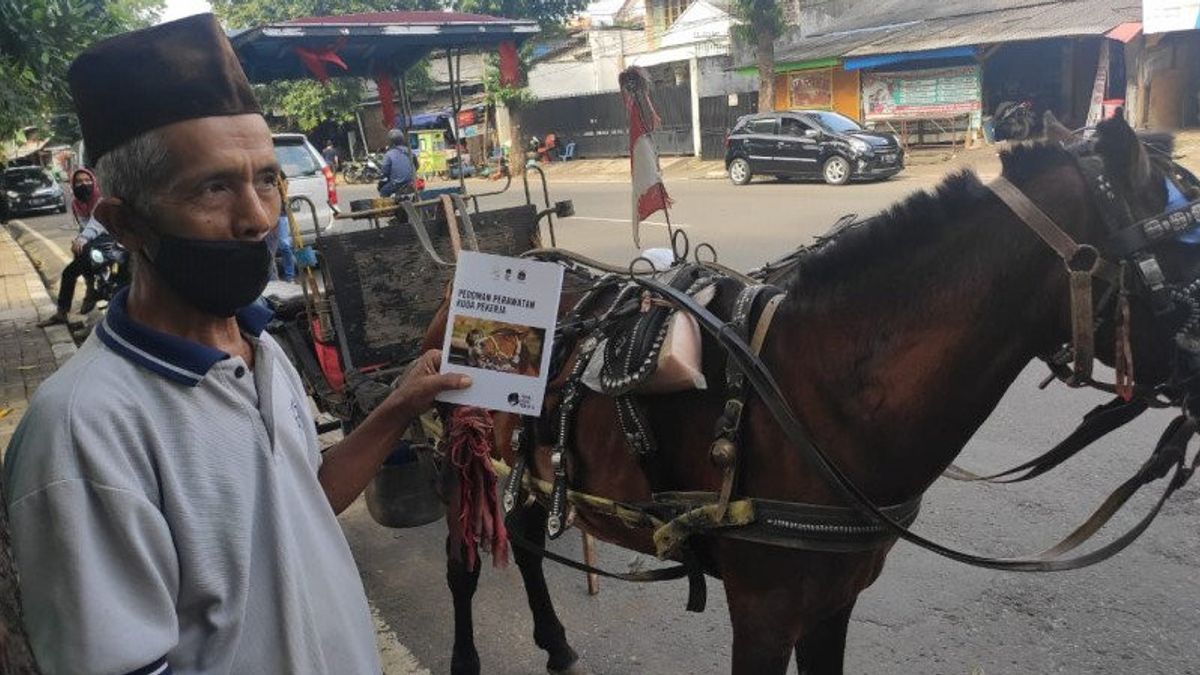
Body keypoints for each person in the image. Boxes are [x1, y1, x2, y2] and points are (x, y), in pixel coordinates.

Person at [3, 14, 471, 675]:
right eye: (212, 186)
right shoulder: (83, 432)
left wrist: (399, 403)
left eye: (265, 179)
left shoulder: (259, 347)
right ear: (123, 220)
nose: (256, 216)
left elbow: (302, 500)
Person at [37, 168, 107, 326]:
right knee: (69, 272)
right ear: (73, 184)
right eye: (79, 181)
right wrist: (80, 240)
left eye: (87, 180)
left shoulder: (101, 198)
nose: (84, 184)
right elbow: (84, 225)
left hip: (111, 239)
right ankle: (62, 312)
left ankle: (90, 292)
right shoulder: (76, 203)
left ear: (94, 181)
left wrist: (82, 239)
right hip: (91, 241)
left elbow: (97, 222)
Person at [378, 127, 418, 197]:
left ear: (391, 141)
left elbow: (385, 171)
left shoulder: (389, 154)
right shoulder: (409, 151)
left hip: (397, 184)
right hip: (412, 182)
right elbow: (417, 166)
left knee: (383, 191)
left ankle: (390, 207)